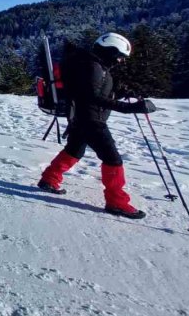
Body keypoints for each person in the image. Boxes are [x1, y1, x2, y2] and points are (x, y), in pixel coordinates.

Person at [37, 32, 156, 219]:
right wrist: (129, 108)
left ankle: (49, 179)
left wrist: (121, 93)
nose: (120, 61)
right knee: (113, 159)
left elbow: (94, 91)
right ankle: (116, 202)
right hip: (91, 120)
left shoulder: (91, 64)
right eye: (119, 56)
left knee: (74, 150)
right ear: (110, 51)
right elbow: (91, 97)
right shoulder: (93, 66)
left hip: (80, 117)